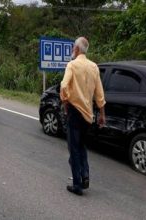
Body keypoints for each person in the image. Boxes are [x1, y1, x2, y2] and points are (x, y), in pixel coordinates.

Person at [60, 37, 106, 196]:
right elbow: (99, 94)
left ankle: (77, 184)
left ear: (77, 49)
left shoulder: (72, 65)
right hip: (88, 115)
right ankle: (85, 175)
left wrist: (65, 102)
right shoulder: (94, 67)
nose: (73, 50)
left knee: (74, 148)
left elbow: (64, 85)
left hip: (74, 113)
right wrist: (102, 114)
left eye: (74, 47)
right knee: (82, 147)